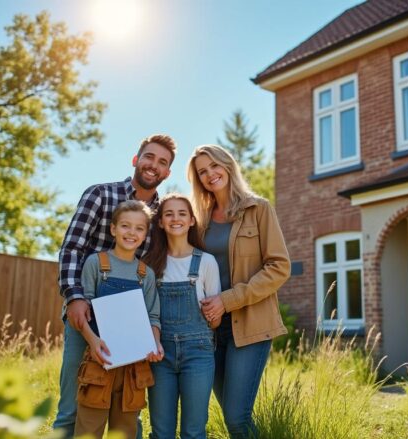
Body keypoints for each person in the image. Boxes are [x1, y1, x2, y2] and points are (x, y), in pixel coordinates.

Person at [54, 134, 176, 437]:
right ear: (136, 159)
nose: (154, 165)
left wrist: (152, 335)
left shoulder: (162, 215)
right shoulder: (101, 195)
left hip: (131, 327)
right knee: (73, 407)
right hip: (86, 316)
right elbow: (72, 248)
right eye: (149, 157)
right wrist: (74, 297)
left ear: (167, 172)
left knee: (128, 409)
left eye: (162, 162)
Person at [188, 144, 291, 438]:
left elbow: (279, 267)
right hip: (210, 330)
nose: (210, 174)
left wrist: (227, 300)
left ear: (228, 165)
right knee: (231, 417)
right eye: (202, 172)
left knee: (237, 418)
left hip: (250, 325)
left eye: (214, 166)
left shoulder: (258, 209)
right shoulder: (199, 220)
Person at [73, 200, 164, 439]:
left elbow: (153, 316)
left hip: (134, 366)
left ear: (145, 234)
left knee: (124, 431)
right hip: (99, 360)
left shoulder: (145, 274)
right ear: (113, 229)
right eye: (125, 226)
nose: (131, 233)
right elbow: (83, 311)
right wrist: (93, 342)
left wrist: (155, 343)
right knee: (88, 430)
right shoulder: (96, 263)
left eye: (139, 228)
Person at [143, 193, 222, 439]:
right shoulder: (149, 264)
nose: (175, 218)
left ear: (191, 221)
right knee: (161, 432)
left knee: (194, 431)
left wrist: (212, 313)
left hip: (198, 353)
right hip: (160, 355)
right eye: (168, 214)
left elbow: (215, 321)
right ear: (160, 222)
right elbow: (145, 313)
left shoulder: (206, 262)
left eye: (182, 214)